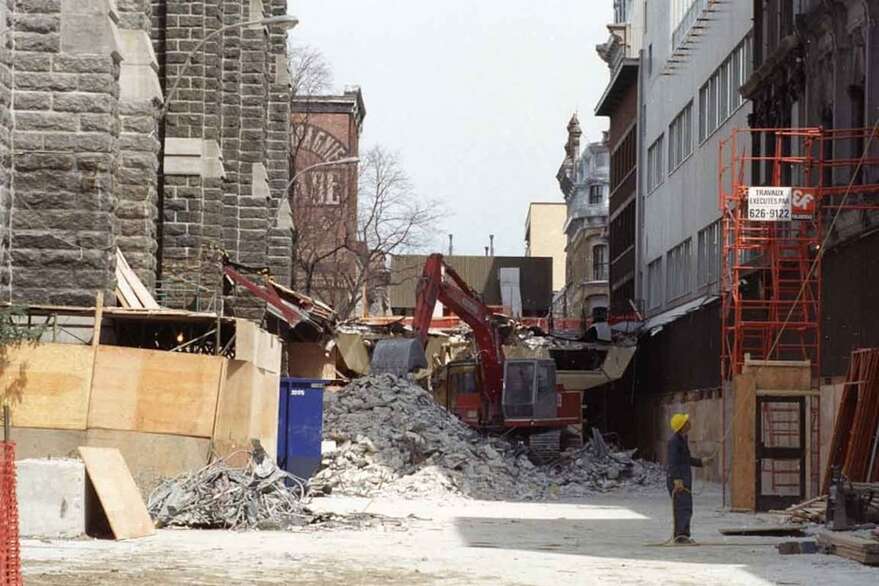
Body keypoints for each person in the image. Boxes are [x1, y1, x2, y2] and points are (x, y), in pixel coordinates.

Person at [666, 413, 712, 544]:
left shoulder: (682, 439)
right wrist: (677, 479)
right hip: (678, 480)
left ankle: (681, 536)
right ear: (682, 426)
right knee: (683, 508)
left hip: (683, 478)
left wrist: (702, 462)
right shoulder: (674, 442)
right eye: (687, 421)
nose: (690, 422)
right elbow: (672, 462)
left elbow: (686, 459)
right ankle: (681, 537)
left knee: (685, 507)